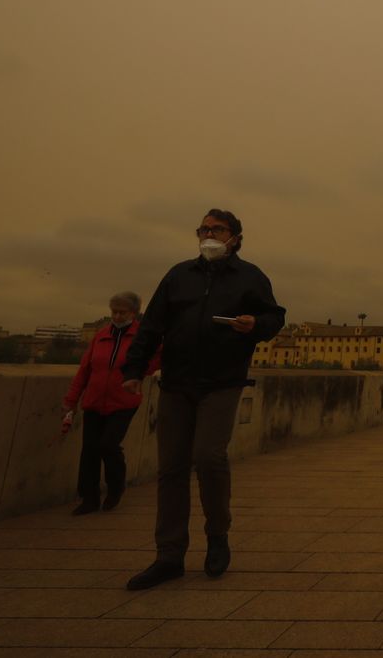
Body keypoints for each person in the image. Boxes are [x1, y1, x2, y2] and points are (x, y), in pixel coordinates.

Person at [119, 208, 285, 590]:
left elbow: (275, 318)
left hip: (222, 381)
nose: (209, 234)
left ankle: (217, 534)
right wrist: (133, 370)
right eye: (204, 229)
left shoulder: (250, 276)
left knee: (209, 457)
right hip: (176, 382)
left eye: (217, 229)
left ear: (236, 237)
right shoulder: (179, 275)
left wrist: (255, 325)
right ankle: (169, 554)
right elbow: (152, 324)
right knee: (172, 468)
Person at [62, 291, 159, 516]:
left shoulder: (143, 337)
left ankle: (116, 488)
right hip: (94, 400)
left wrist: (140, 372)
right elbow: (85, 370)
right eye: (114, 312)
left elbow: (159, 356)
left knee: (108, 445)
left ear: (133, 313)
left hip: (124, 401)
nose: (116, 316)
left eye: (121, 312)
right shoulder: (101, 335)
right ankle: (89, 498)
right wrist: (71, 401)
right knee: (90, 450)